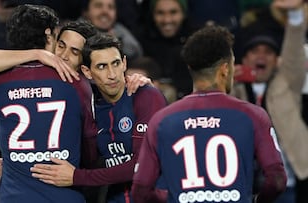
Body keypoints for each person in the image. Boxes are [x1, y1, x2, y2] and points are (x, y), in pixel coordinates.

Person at [131, 25, 287, 203]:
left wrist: (171, 198)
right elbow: (276, 180)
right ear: (225, 68)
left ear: (190, 67)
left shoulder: (162, 120)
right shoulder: (253, 115)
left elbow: (141, 190)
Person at [27, 33, 167, 203]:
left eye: (115, 64)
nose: (112, 74)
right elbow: (61, 152)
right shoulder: (90, 107)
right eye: (101, 67)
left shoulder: (145, 96)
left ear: (124, 63)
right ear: (87, 71)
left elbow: (139, 165)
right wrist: (13, 169)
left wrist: (78, 177)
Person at [0, 4, 96, 202]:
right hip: (64, 195)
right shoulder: (76, 83)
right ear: (49, 35)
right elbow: (90, 146)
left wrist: (14, 163)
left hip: (15, 196)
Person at [232, 0, 308, 202]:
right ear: (245, 59)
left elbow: (294, 53)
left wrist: (294, 17)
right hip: (242, 183)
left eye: (268, 52)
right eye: (255, 51)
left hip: (286, 184)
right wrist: (224, 81)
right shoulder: (230, 89)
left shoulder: (287, 83)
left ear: (276, 61)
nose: (261, 56)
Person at [137, 0, 194, 99]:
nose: (167, 20)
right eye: (160, 13)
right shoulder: (140, 41)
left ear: (183, 13)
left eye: (173, 12)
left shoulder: (196, 41)